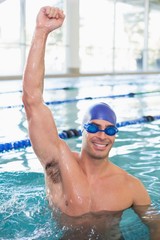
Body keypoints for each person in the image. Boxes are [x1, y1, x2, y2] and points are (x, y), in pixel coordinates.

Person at [22, 6, 160, 240]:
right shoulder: (57, 163)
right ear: (83, 130)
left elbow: (156, 224)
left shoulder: (130, 186)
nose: (101, 135)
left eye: (110, 129)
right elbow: (32, 101)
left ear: (116, 134)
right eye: (94, 127)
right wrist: (41, 32)